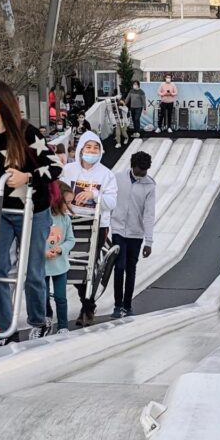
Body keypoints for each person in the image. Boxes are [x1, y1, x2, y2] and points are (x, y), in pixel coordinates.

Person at [0, 79, 63, 347]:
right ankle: (6, 327)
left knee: (32, 270)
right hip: (1, 209)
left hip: (33, 210)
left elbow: (55, 167)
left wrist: (28, 177)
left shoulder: (27, 133)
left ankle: (39, 320)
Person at [61, 130, 118, 326]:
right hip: (71, 223)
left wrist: (94, 195)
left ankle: (88, 306)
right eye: (88, 147)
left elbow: (112, 202)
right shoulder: (68, 170)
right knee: (73, 265)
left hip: (96, 226)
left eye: (96, 147)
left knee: (89, 266)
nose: (92, 151)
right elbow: (59, 192)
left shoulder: (107, 174)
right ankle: (86, 302)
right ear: (81, 149)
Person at [110, 151, 155, 319]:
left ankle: (127, 305)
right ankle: (117, 304)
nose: (142, 174)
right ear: (133, 166)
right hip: (118, 229)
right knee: (119, 267)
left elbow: (149, 214)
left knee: (131, 268)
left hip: (136, 233)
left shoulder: (149, 185)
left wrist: (149, 241)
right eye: (139, 170)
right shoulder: (118, 178)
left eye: (145, 171)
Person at [45, 182, 76, 335]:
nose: (69, 206)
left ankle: (63, 326)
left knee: (60, 297)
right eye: (68, 202)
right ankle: (45, 319)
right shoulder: (42, 216)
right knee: (42, 296)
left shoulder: (65, 219)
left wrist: (61, 249)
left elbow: (71, 240)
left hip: (60, 265)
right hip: (42, 265)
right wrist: (43, 253)